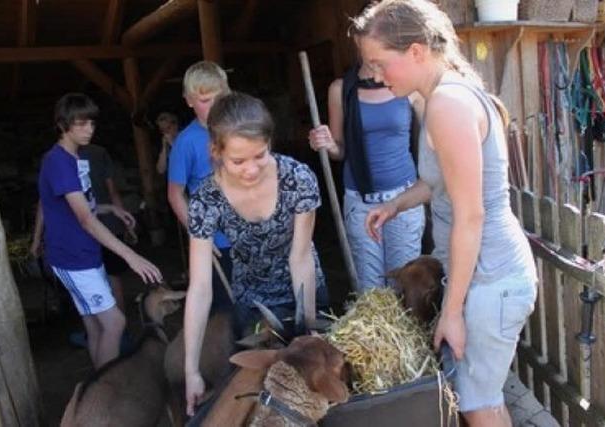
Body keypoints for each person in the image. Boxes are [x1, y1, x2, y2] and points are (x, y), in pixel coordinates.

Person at [355, 1, 537, 426]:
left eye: (380, 63)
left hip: (492, 279)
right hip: (484, 275)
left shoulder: (448, 105)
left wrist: (451, 312)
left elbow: (470, 215)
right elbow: (440, 183)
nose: (376, 75)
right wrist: (395, 205)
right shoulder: (436, 97)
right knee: (485, 395)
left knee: (477, 404)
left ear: (416, 51)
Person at [183, 92, 328, 416]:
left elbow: (300, 257)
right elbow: (201, 288)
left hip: (305, 292)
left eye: (260, 156)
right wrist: (191, 370)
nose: (251, 169)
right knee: (261, 395)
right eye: (238, 161)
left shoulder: (298, 179)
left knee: (316, 389)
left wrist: (306, 330)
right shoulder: (205, 200)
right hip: (253, 300)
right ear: (216, 152)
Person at [37, 92, 162, 369]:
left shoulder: (74, 158)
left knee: (95, 327)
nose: (88, 130)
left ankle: (99, 384)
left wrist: (109, 209)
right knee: (115, 323)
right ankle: (108, 390)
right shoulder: (59, 163)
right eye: (80, 124)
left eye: (91, 123)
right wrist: (132, 256)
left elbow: (81, 206)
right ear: (62, 124)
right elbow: (84, 219)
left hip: (80, 252)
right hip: (74, 257)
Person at [308, 58, 425, 291]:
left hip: (404, 199)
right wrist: (328, 144)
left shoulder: (410, 87)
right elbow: (339, 151)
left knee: (403, 286)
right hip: (360, 200)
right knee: (369, 293)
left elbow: (429, 145)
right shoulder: (340, 89)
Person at [167, 60, 233, 285]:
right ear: (188, 100)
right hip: (218, 239)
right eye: (205, 100)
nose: (214, 105)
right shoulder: (185, 142)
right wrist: (200, 234)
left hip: (252, 231)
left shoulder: (239, 127)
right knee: (226, 308)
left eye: (219, 97)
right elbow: (175, 194)